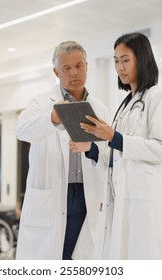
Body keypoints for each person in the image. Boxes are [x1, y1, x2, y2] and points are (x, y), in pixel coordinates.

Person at [73, 32, 162, 259]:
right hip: (120, 196)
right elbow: (116, 153)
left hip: (143, 197)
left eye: (126, 60)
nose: (120, 67)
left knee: (143, 255)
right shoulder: (127, 103)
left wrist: (115, 137)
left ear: (143, 58)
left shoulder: (157, 97)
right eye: (116, 61)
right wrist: (90, 148)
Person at [15, 41, 109, 260]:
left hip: (86, 195)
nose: (74, 73)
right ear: (56, 72)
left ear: (87, 66)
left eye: (79, 66)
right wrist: (52, 118)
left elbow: (109, 154)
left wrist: (92, 149)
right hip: (54, 194)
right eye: (66, 68)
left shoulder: (100, 108)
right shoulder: (40, 103)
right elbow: (22, 130)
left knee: (79, 258)